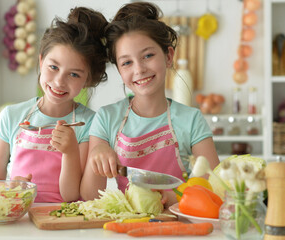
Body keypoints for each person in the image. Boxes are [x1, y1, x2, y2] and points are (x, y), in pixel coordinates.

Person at [80, 2, 220, 207]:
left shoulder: (191, 120)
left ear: (168, 56)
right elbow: (90, 196)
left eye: (148, 56)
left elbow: (215, 186)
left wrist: (177, 197)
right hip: (129, 226)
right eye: (127, 62)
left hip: (182, 225)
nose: (139, 69)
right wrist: (97, 154)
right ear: (119, 70)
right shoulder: (106, 118)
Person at [0, 7, 108, 203]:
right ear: (41, 61)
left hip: (62, 222)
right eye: (53, 67)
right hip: (19, 218)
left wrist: (70, 152)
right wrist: (8, 187)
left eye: (74, 74)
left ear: (87, 80)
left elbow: (72, 195)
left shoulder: (90, 124)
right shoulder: (11, 116)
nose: (59, 81)